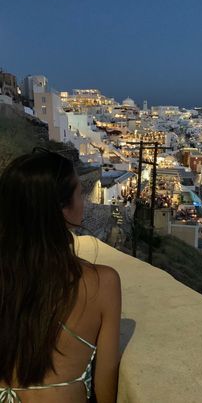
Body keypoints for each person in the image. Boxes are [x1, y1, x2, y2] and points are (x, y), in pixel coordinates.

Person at [0, 148, 122, 403]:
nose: (84, 201)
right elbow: (106, 386)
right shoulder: (102, 283)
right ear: (62, 209)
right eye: (80, 193)